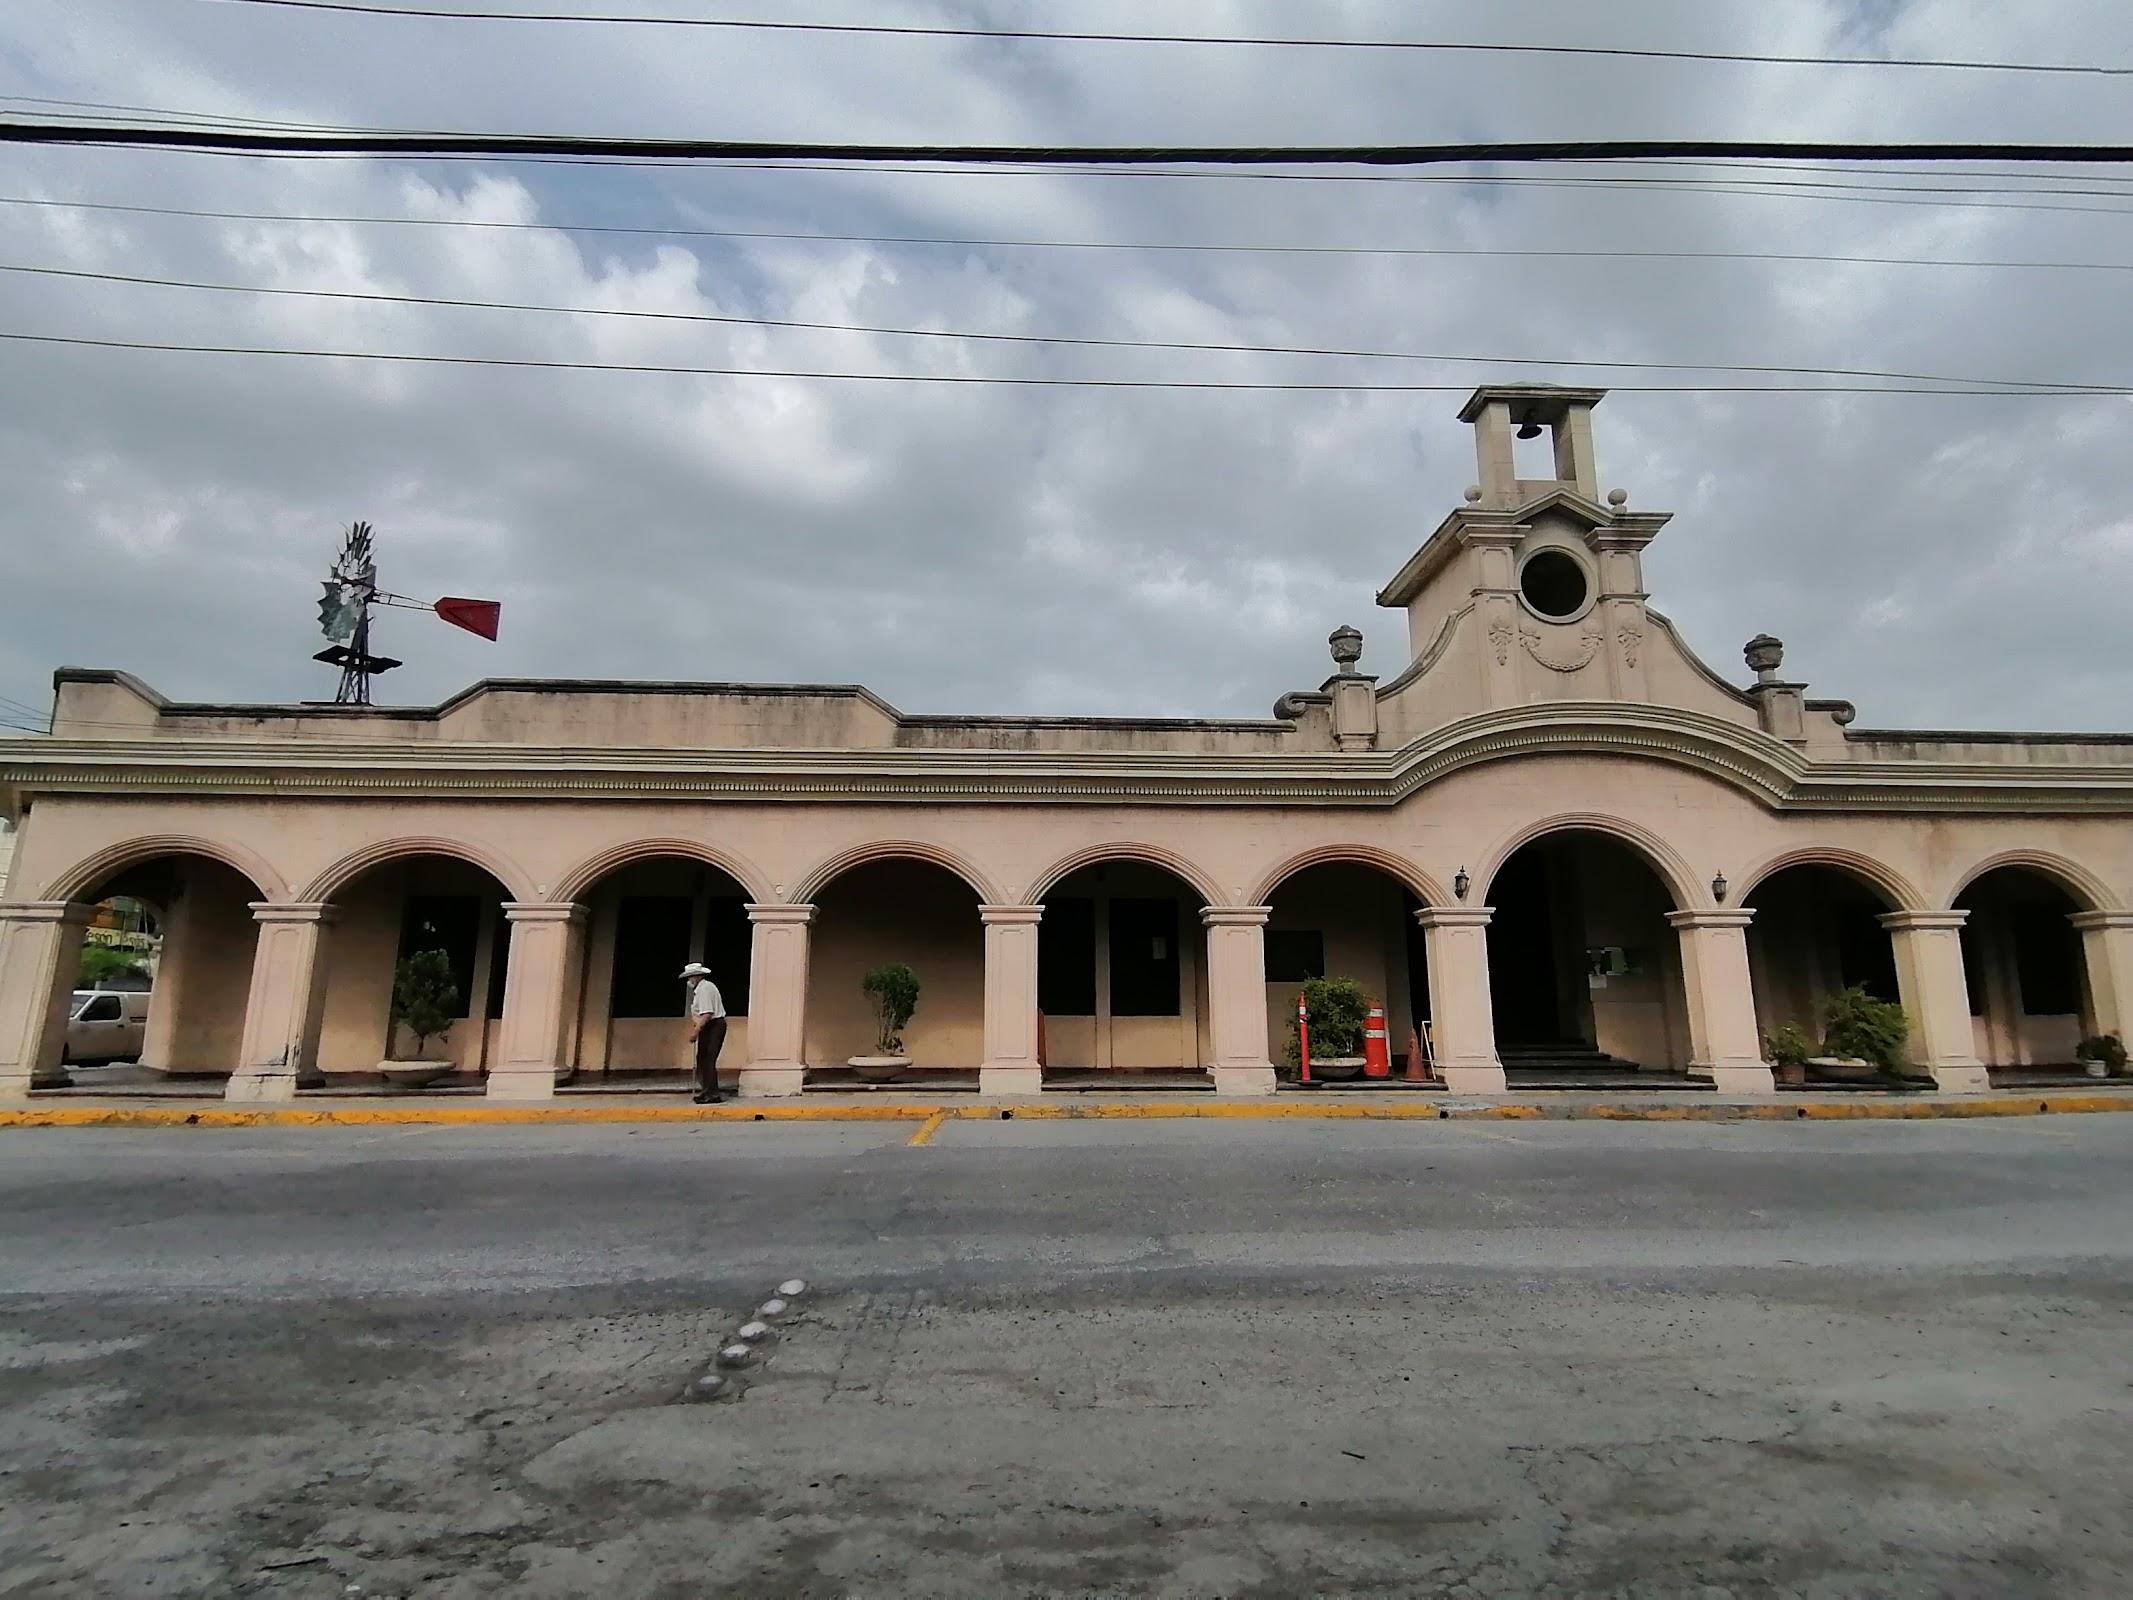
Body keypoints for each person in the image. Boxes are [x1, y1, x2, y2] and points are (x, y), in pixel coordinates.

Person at [681, 961, 726, 1104]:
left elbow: (707, 1014)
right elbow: (697, 1013)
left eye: (690, 977)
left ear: (697, 976)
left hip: (714, 1025)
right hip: (707, 1026)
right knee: (702, 1059)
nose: (689, 981)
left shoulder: (705, 988)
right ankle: (706, 1090)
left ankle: (713, 1094)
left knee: (708, 1060)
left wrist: (696, 1031)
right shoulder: (699, 991)